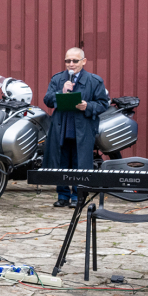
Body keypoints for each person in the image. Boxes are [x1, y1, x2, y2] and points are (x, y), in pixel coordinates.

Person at [42, 47, 110, 207]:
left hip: (82, 129)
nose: (71, 64)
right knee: (62, 162)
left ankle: (77, 196)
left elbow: (103, 104)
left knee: (80, 162)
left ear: (83, 62)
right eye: (68, 61)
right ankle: (63, 196)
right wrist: (62, 91)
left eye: (75, 61)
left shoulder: (94, 81)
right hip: (61, 128)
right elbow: (47, 100)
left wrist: (88, 106)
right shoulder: (58, 79)